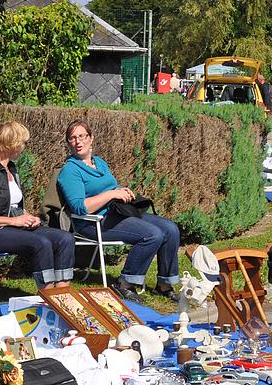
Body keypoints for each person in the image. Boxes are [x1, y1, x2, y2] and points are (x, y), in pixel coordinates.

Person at [57, 119, 181, 303]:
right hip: (94, 221)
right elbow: (79, 207)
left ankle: (164, 285)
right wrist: (111, 194)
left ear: (91, 139)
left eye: (82, 136)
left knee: (170, 228)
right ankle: (124, 283)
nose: (78, 141)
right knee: (152, 234)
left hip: (117, 213)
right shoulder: (70, 171)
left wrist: (122, 191)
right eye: (72, 138)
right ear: (68, 143)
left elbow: (110, 187)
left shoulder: (99, 163)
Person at [0, 122, 75, 292]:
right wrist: (14, 221)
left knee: (65, 239)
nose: (24, 147)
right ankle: (49, 296)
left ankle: (62, 295)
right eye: (23, 142)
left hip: (13, 227)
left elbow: (10, 204)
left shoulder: (11, 169)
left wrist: (28, 217)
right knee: (41, 243)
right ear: (11, 144)